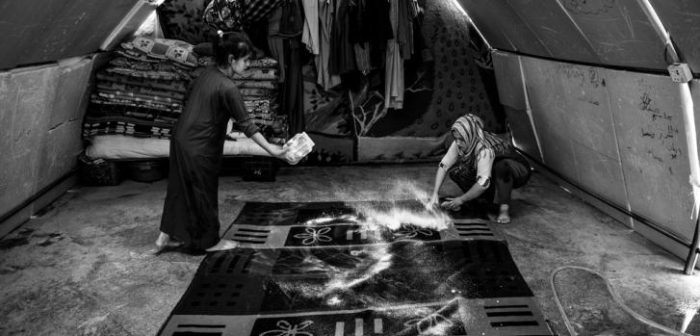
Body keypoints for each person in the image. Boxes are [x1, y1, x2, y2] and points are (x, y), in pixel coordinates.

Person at [154, 32, 293, 254]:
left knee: (179, 189)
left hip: (181, 139)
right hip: (200, 147)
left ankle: (165, 238)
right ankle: (209, 242)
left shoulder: (207, 74)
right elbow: (248, 127)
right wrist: (274, 151)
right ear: (231, 59)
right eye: (245, 60)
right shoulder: (228, 88)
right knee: (203, 194)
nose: (248, 65)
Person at [427, 114, 530, 223]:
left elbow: (483, 184)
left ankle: (504, 209)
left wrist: (461, 200)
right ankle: (482, 200)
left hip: (517, 169)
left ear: (470, 136)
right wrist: (435, 193)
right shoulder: (460, 142)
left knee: (501, 167)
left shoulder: (484, 150)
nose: (458, 143)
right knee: (457, 173)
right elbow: (444, 165)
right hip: (492, 167)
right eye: (456, 139)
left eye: (461, 140)